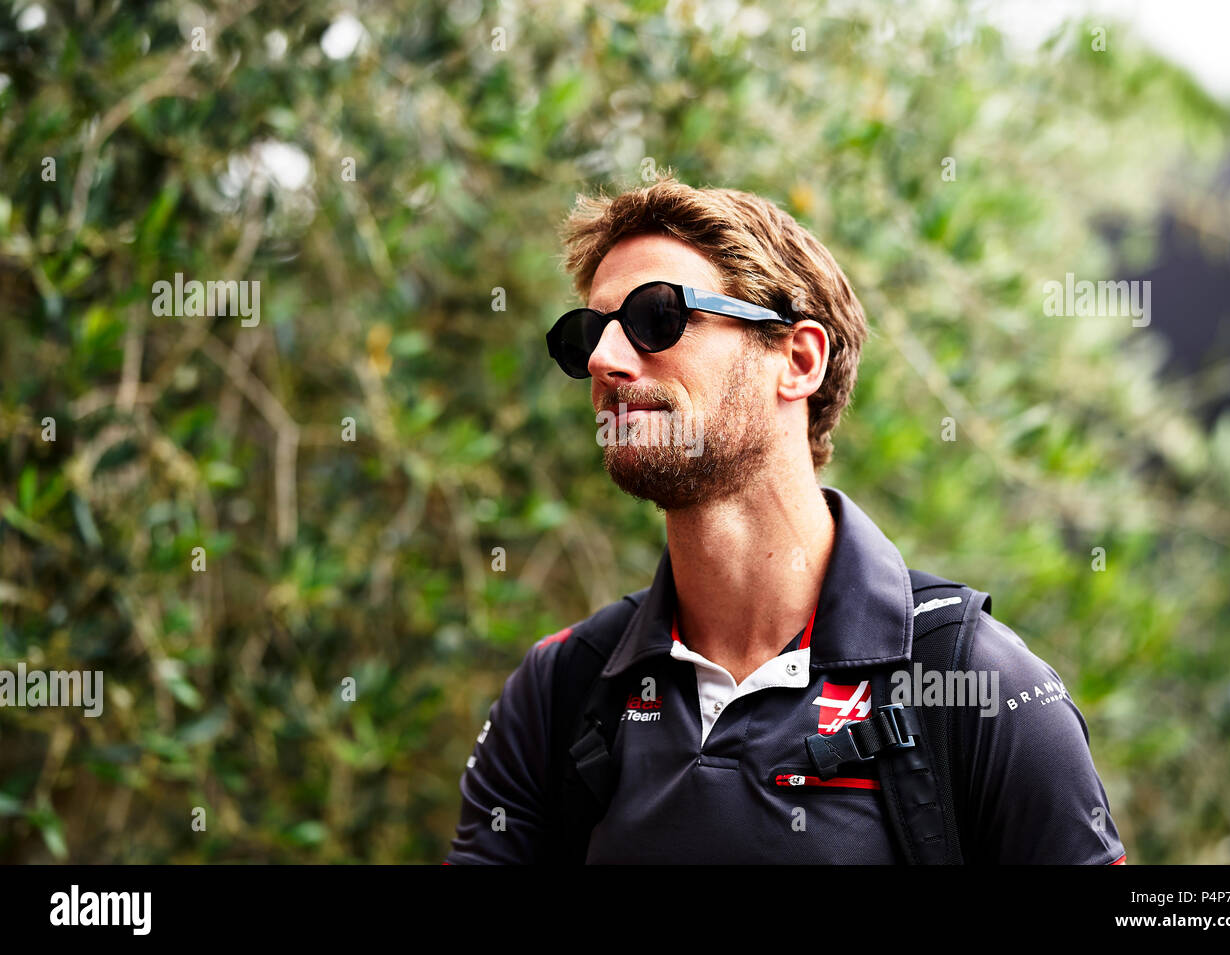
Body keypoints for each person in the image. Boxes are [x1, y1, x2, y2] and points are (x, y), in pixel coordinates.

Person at [445, 175, 1127, 864]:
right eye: (587, 333)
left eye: (657, 317)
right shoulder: (562, 689)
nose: (603, 359)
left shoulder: (975, 685)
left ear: (798, 360)